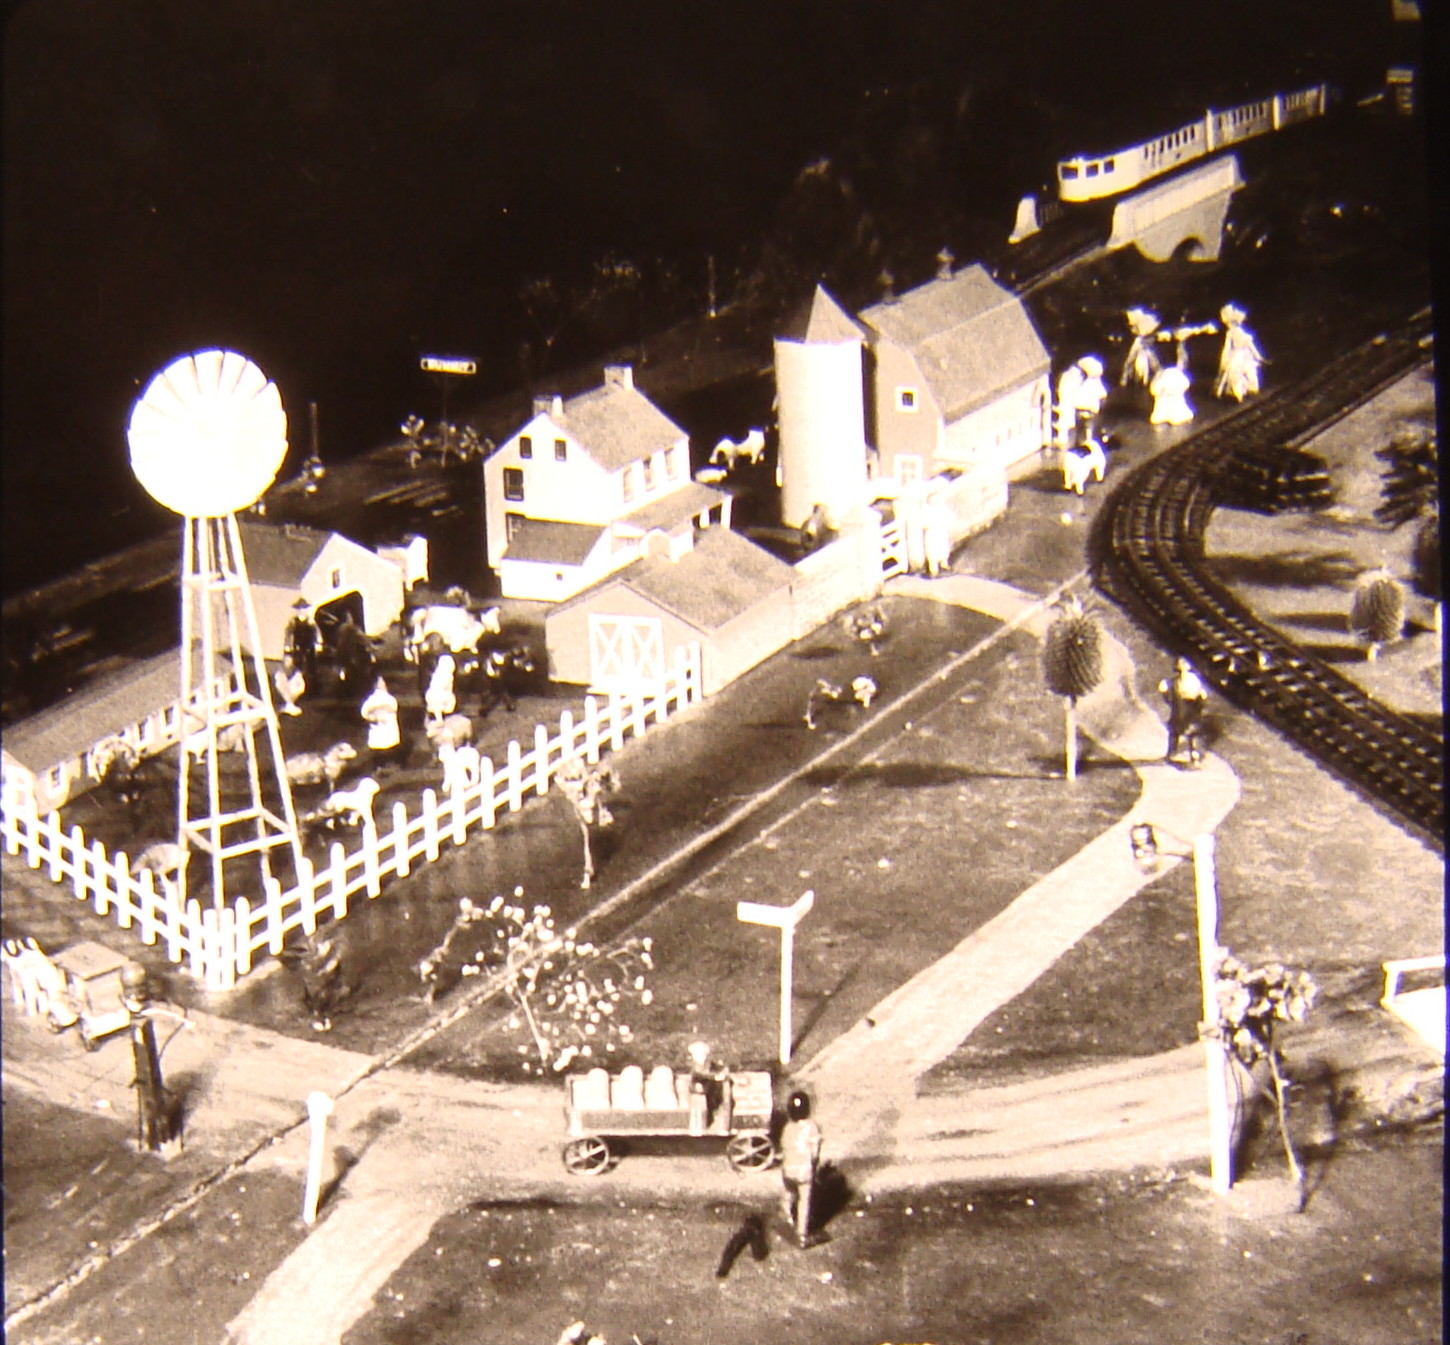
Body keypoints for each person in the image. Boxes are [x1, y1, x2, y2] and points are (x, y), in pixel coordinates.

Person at [779, 1090, 823, 1248]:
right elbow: (815, 1153)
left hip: (788, 1170)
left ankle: (787, 1215)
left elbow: (783, 1146)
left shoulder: (788, 1127)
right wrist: (814, 1166)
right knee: (804, 1200)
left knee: (789, 1192)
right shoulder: (811, 1127)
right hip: (803, 1171)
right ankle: (802, 1235)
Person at [1159, 657, 1208, 766]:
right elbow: (1170, 698)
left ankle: (1191, 755)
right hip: (1183, 708)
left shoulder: (1191, 680)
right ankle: (1174, 753)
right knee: (1180, 731)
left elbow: (1200, 695)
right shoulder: (1176, 681)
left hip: (1188, 708)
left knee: (1189, 732)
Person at [1215, 302, 1265, 402]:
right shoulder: (1236, 333)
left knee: (1237, 374)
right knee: (1242, 373)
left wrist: (1225, 358)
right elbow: (1250, 346)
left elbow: (1228, 347)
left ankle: (1242, 392)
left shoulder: (1234, 333)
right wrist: (1258, 357)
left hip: (1238, 355)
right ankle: (1244, 391)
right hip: (1242, 355)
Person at [360, 675, 401, 759]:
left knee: (388, 742)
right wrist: (372, 717)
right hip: (378, 726)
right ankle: (382, 760)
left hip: (387, 725)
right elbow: (365, 712)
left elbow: (393, 708)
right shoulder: (373, 700)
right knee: (380, 742)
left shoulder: (389, 699)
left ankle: (386, 760)